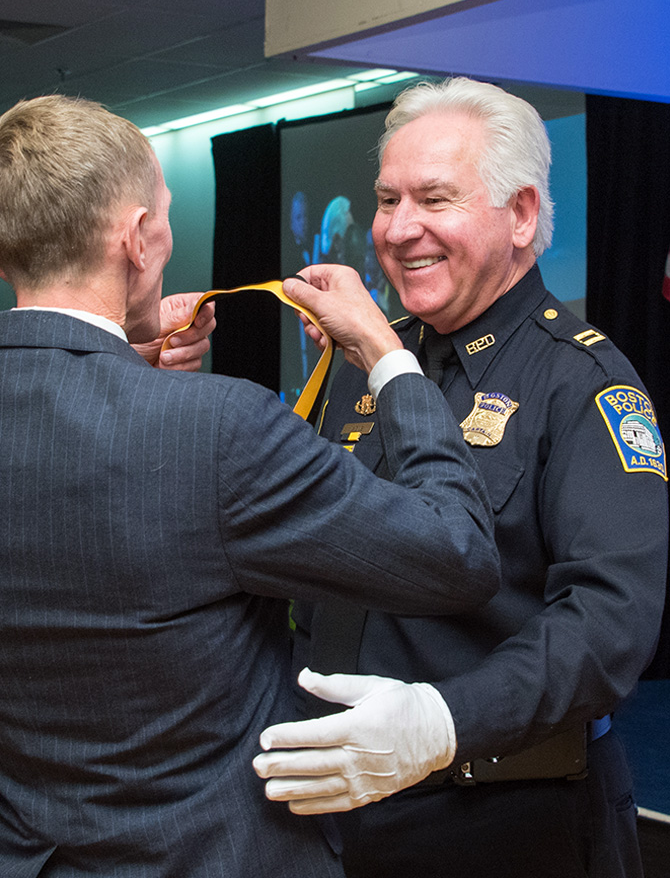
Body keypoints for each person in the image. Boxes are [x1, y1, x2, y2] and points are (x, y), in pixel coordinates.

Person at [0, 93, 500, 877]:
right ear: (137, 239)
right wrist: (385, 354)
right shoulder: (220, 426)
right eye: (162, 217)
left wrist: (128, 381)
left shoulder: (187, 421)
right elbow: (456, 550)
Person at [253, 77, 669, 878]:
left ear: (519, 215)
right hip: (332, 821)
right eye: (386, 199)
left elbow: (611, 623)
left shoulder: (582, 385)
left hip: (502, 823)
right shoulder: (360, 363)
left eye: (434, 199)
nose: (400, 229)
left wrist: (444, 720)